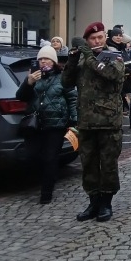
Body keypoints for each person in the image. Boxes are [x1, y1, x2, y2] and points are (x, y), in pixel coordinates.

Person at [63, 22, 125, 222]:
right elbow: (65, 83)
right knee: (88, 164)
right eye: (92, 39)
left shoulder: (113, 57)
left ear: (105, 37)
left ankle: (106, 203)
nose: (97, 41)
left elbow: (112, 74)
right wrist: (72, 61)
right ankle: (93, 201)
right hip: (87, 122)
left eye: (99, 37)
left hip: (108, 122)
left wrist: (89, 56)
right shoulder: (83, 60)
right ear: (87, 41)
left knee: (108, 165)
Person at [16, 45, 78, 204]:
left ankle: (46, 192)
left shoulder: (62, 77)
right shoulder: (32, 77)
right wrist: (28, 82)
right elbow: (21, 97)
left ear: (54, 61)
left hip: (56, 124)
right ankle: (41, 181)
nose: (43, 62)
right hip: (35, 125)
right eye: (41, 59)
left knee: (50, 158)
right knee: (32, 156)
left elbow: (72, 99)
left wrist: (74, 121)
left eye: (47, 59)